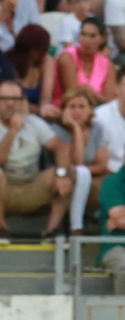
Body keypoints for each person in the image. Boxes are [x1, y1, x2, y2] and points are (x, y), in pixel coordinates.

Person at [0, 80, 74, 240]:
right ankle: (0, 229)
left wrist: (61, 174)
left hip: (29, 186)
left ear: (23, 102)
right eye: (5, 99)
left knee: (70, 174)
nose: (10, 104)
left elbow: (61, 147)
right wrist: (13, 131)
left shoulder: (34, 122)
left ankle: (51, 231)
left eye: (16, 99)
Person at [54, 88, 110, 235]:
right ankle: (75, 228)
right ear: (64, 110)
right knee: (82, 173)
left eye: (81, 106)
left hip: (88, 178)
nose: (77, 111)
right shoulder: (58, 130)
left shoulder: (97, 128)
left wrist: (83, 172)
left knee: (88, 175)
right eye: (72, 107)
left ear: (90, 110)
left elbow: (102, 165)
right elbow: (75, 164)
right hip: (62, 177)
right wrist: (76, 129)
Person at [53, 18, 118, 106]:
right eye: (83, 34)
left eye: (92, 36)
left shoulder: (107, 65)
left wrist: (94, 95)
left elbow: (110, 99)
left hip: (98, 110)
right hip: (65, 109)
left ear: (102, 38)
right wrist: (98, 97)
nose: (86, 40)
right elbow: (72, 94)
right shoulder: (67, 57)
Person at [8, 24, 57, 118]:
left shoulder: (46, 60)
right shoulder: (9, 62)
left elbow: (46, 100)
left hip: (38, 117)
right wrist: (39, 110)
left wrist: (42, 109)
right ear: (33, 50)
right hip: (14, 115)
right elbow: (17, 104)